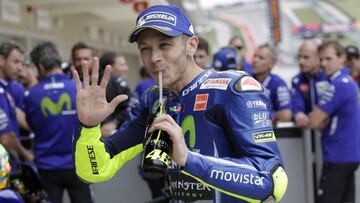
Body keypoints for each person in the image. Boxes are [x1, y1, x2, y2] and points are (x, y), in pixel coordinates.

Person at [72, 5, 288, 203]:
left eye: (165, 45)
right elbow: (95, 170)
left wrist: (188, 159)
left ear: (191, 45)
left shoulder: (232, 89)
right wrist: (89, 128)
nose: (154, 57)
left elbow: (272, 180)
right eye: (145, 48)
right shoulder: (154, 100)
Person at [25, 42, 93, 203]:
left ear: (40, 67)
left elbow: (31, 124)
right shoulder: (80, 88)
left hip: (46, 166)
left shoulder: (31, 95)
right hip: (78, 163)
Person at [308, 40, 360, 203]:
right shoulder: (347, 82)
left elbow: (314, 121)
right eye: (321, 59)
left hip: (338, 157)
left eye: (328, 59)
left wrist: (322, 119)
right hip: (347, 156)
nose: (324, 64)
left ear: (342, 58)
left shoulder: (339, 84)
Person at [291, 40, 329, 128]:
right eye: (299, 57)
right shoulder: (297, 80)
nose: (301, 61)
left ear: (318, 58)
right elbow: (297, 101)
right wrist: (298, 113)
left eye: (306, 57)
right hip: (307, 132)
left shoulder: (329, 77)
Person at [252, 43, 292, 122]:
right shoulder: (245, 80)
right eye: (255, 56)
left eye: (261, 58)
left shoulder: (278, 84)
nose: (255, 60)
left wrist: (258, 116)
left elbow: (286, 115)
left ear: (272, 63)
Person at [99, 51, 134, 137]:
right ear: (110, 68)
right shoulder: (115, 81)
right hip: (113, 134)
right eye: (122, 65)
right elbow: (130, 104)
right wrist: (114, 123)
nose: (126, 68)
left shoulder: (106, 81)